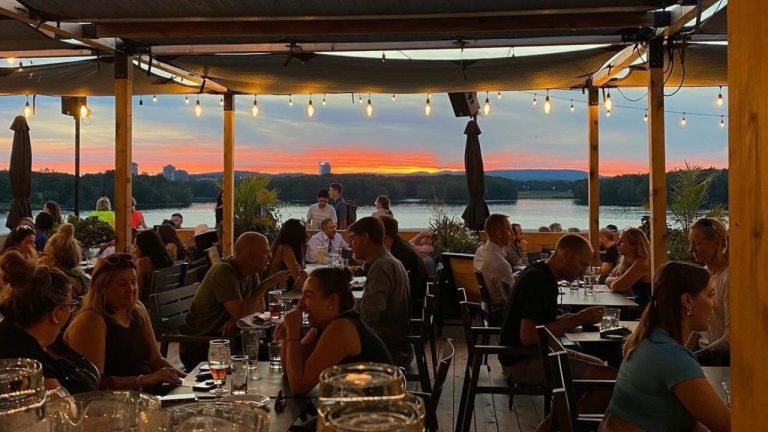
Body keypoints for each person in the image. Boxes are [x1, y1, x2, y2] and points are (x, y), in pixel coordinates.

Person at [600, 262, 730, 432]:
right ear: (687, 301)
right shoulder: (671, 357)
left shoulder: (651, 339)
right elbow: (728, 425)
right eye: (710, 296)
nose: (715, 304)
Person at [499, 234, 613, 385]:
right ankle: (569, 408)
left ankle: (570, 407)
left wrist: (578, 317)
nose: (583, 272)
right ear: (565, 254)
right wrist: (578, 319)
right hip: (520, 362)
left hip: (534, 354)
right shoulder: (538, 280)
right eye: (582, 265)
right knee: (608, 377)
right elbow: (529, 336)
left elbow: (542, 325)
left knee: (598, 364)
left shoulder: (540, 272)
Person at [65, 254, 185, 394]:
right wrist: (145, 379)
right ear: (103, 287)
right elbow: (97, 382)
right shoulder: (92, 320)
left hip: (152, 394)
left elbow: (156, 360)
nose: (130, 289)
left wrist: (188, 380)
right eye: (122, 284)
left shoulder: (137, 310)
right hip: (120, 403)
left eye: (133, 282)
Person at [181, 232, 291, 370]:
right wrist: (265, 285)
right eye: (265, 253)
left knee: (282, 354)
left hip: (230, 342)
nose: (270, 257)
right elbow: (243, 313)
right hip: (203, 347)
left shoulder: (250, 272)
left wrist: (236, 320)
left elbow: (259, 308)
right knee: (270, 360)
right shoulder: (224, 271)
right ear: (250, 257)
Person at [275, 267, 393, 394]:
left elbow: (299, 386)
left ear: (332, 300)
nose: (301, 304)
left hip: (378, 409)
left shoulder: (342, 328)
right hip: (357, 405)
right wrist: (289, 333)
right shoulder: (323, 325)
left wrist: (293, 333)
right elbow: (290, 371)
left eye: (308, 295)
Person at [0, 251, 99, 394]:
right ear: (56, 313)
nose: (72, 310)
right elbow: (62, 409)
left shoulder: (48, 340)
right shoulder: (22, 357)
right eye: (70, 305)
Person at [348, 217, 412, 367]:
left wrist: (345, 302)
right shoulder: (388, 261)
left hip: (387, 351)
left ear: (365, 238)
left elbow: (369, 316)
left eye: (352, 239)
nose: (350, 245)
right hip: (396, 344)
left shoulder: (381, 267)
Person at [687, 218, 730, 364]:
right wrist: (683, 354)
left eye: (697, 243)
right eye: (691, 243)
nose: (691, 249)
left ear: (717, 242)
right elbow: (698, 329)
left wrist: (694, 358)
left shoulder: (729, 278)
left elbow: (730, 338)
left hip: (722, 360)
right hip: (703, 354)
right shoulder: (703, 275)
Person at [380, 216, 428, 317]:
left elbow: (389, 288)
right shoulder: (401, 246)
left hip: (408, 309)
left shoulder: (400, 254)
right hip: (416, 302)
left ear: (383, 234)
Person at [473, 214, 515, 325]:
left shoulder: (480, 251)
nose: (512, 234)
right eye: (509, 230)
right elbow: (511, 301)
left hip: (488, 309)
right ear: (499, 234)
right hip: (502, 314)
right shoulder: (501, 264)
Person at [606, 228, 653, 310]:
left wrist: (621, 281)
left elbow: (616, 286)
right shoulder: (626, 261)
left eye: (621, 241)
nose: (617, 244)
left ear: (634, 245)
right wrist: (622, 280)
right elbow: (607, 279)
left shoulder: (642, 263)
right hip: (631, 305)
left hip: (644, 310)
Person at [41, 223, 90, 297]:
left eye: (44, 254)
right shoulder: (81, 278)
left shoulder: (59, 287)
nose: (40, 258)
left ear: (53, 261)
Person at [133, 229, 173, 304]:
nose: (133, 250)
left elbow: (138, 293)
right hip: (164, 302)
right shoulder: (165, 259)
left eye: (135, 246)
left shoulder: (143, 262)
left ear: (144, 247)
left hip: (146, 305)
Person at [268, 219, 308, 290]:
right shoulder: (285, 249)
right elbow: (299, 279)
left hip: (283, 289)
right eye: (305, 232)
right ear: (296, 235)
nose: (308, 235)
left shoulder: (287, 248)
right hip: (278, 292)